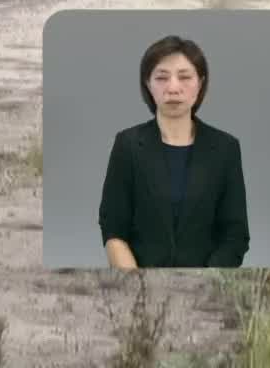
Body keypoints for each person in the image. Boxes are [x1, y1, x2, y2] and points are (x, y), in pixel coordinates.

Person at [97, 35, 249, 268]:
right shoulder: (127, 145)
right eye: (161, 78)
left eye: (185, 77)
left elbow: (235, 235)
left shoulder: (225, 148)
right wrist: (138, 284)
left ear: (200, 83)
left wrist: (203, 283)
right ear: (148, 84)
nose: (173, 88)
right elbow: (113, 229)